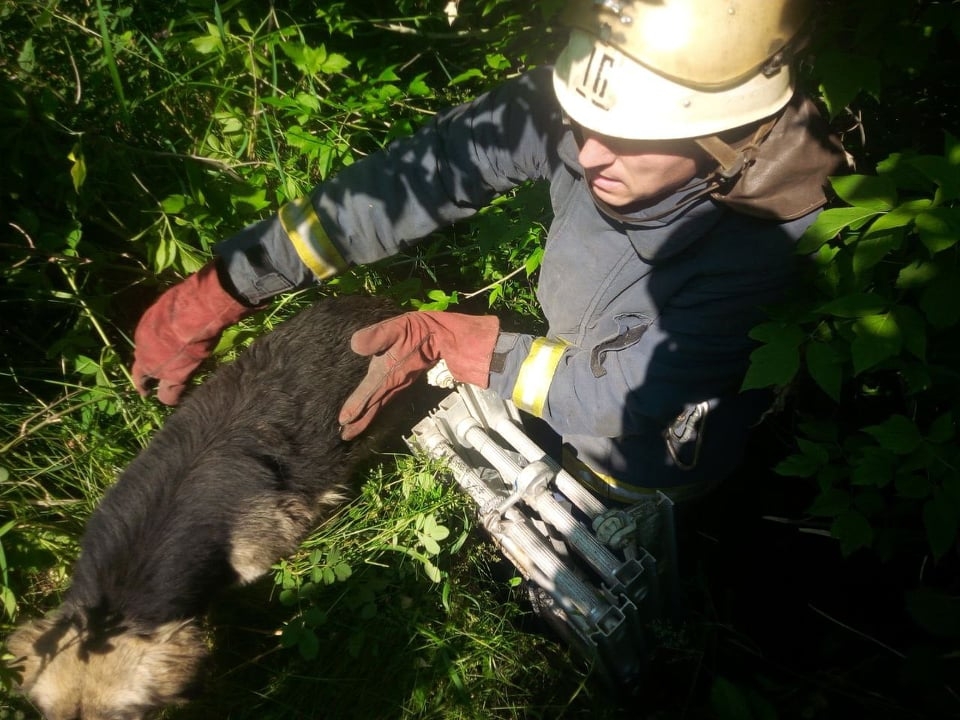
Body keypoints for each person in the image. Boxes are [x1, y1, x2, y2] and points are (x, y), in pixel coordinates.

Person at [132, 0, 846, 505]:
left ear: (728, 141)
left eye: (626, 137)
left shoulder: (771, 233)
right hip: (574, 360)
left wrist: (463, 343)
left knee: (626, 484)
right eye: (579, 119)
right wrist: (225, 285)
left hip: (653, 443)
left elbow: (635, 402)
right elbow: (412, 180)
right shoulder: (602, 101)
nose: (587, 150)